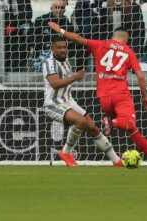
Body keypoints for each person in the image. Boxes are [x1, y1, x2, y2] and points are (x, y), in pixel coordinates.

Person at [48, 21, 147, 168]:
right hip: (120, 95)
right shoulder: (128, 51)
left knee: (132, 130)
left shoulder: (100, 44)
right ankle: (112, 123)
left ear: (113, 36)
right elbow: (140, 76)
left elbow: (78, 38)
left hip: (104, 98)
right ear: (126, 39)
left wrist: (60, 30)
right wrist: (145, 96)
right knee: (129, 123)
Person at [44, 36, 123, 167]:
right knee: (80, 121)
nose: (63, 50)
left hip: (68, 101)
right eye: (59, 47)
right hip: (53, 104)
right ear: (52, 48)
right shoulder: (49, 63)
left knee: (92, 127)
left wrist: (76, 77)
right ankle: (66, 152)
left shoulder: (66, 61)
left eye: (64, 47)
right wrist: (75, 77)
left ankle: (116, 161)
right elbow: (55, 83)